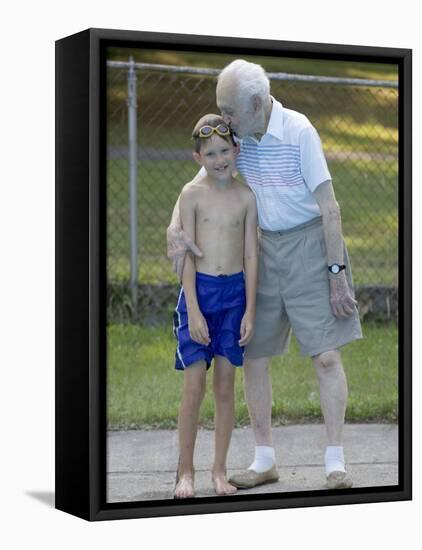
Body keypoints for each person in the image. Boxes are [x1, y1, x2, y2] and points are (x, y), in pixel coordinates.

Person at [168, 59, 363, 491]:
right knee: (253, 355)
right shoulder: (238, 134)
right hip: (260, 252)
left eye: (230, 111)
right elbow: (198, 179)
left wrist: (336, 273)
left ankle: (335, 462)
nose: (224, 119)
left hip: (311, 246)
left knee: (327, 355)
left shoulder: (299, 132)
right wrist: (172, 227)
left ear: (256, 104)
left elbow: (330, 208)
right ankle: (264, 460)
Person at [173, 114, 258, 498]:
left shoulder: (245, 198)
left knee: (226, 387)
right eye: (211, 153)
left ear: (236, 150)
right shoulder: (192, 196)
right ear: (198, 158)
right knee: (195, 387)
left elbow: (252, 258)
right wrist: (192, 308)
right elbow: (187, 255)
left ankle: (219, 471)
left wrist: (250, 310)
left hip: (234, 297)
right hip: (199, 294)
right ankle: (184, 472)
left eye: (225, 150)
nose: (220, 159)